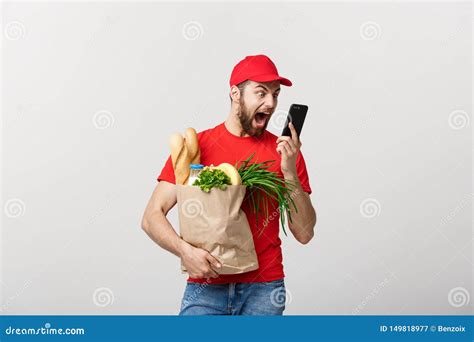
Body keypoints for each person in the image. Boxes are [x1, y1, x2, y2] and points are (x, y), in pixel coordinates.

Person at [141, 54, 317, 315]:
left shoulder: (285, 153)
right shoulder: (197, 148)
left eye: (276, 94)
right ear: (235, 93)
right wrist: (185, 252)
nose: (271, 103)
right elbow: (151, 217)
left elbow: (304, 233)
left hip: (265, 289)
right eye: (261, 93)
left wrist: (288, 171)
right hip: (206, 287)